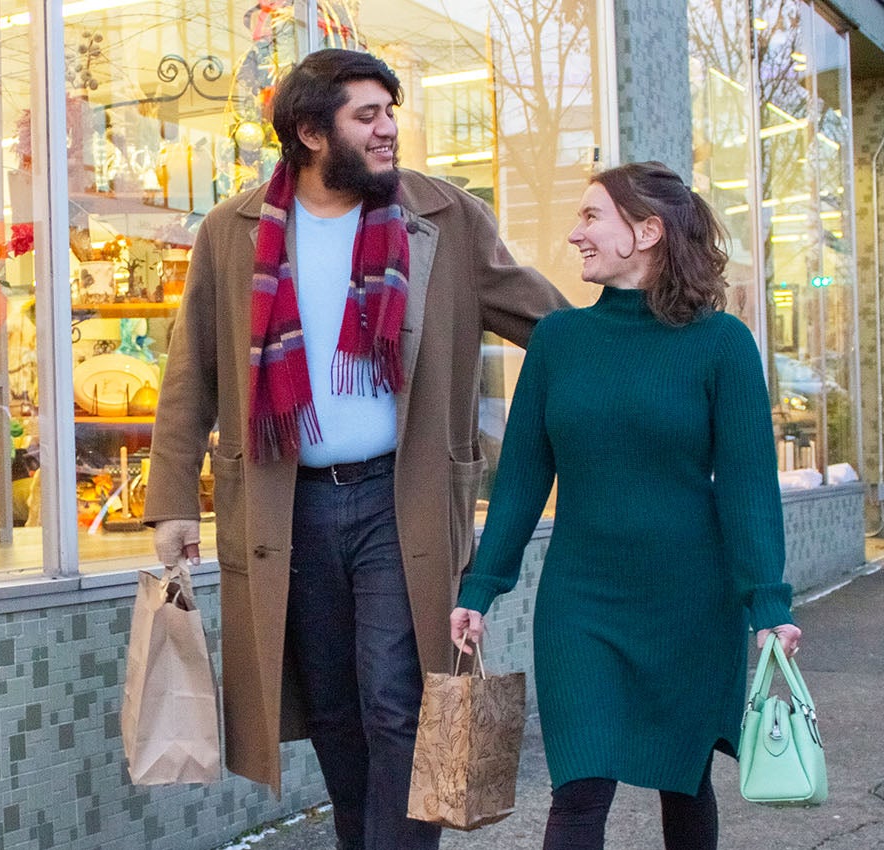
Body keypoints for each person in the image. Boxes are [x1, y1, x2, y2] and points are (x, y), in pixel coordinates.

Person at [142, 49, 570, 850]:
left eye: (391, 111)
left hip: (398, 502)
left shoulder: (444, 217)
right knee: (335, 710)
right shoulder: (233, 233)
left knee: (397, 704)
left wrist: (649, 340)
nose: (389, 130)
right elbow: (191, 372)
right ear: (309, 132)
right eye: (366, 116)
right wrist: (169, 501)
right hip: (286, 505)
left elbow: (554, 330)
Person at [449, 162, 801, 850]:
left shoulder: (721, 344)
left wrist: (769, 605)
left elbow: (748, 485)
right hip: (582, 602)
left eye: (590, 217)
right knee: (578, 788)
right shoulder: (558, 340)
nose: (574, 233)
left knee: (684, 778)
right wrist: (481, 586)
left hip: (690, 602)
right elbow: (521, 477)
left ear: (645, 232)